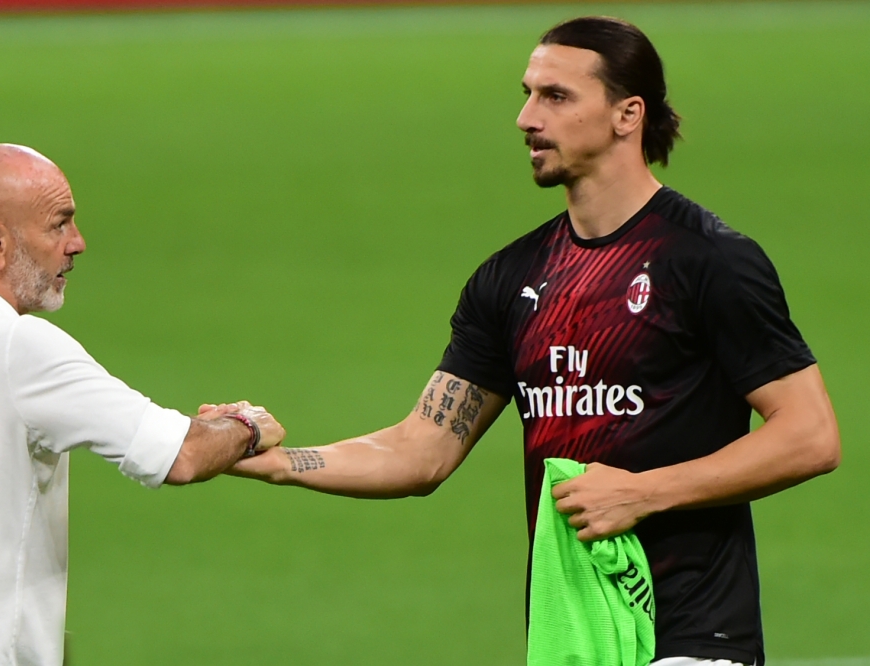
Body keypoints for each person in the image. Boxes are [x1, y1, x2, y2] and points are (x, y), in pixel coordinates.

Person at [226, 16, 840, 666]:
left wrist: (644, 491)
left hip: (692, 636)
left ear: (627, 114)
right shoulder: (509, 280)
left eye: (556, 96)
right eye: (527, 93)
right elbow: (420, 449)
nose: (525, 117)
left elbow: (810, 435)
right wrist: (278, 462)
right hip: (573, 636)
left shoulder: (708, 261)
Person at [0, 144, 285, 665]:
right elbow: (181, 455)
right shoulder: (17, 347)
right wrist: (245, 424)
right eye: (58, 225)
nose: (78, 243)